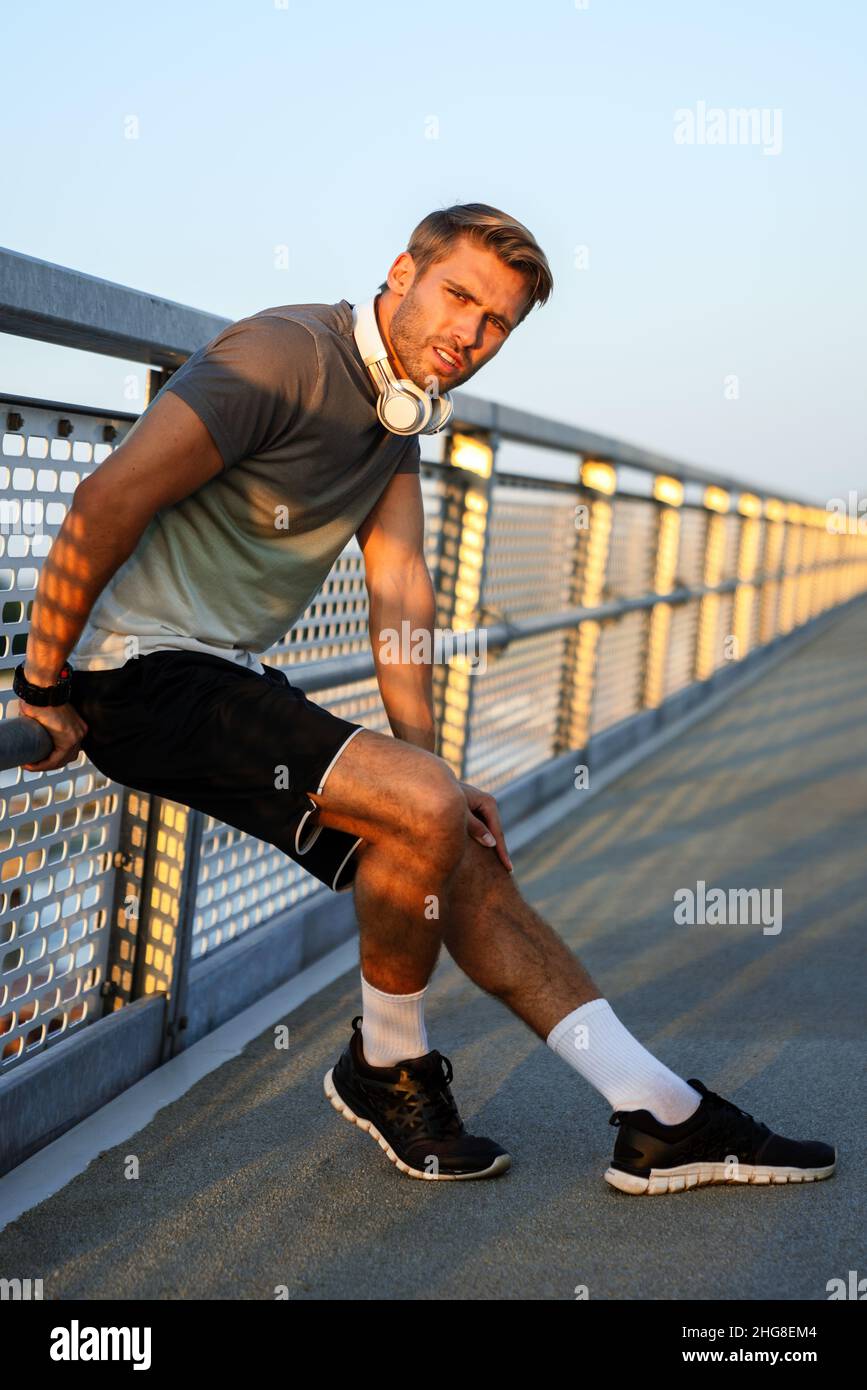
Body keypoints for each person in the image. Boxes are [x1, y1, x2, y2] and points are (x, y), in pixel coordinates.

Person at [15, 203, 835, 1194]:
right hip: (137, 675)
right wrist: (43, 684)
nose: (470, 334)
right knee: (427, 813)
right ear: (401, 271)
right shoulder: (282, 356)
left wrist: (433, 771)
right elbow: (105, 499)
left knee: (453, 847)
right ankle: (389, 1061)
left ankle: (658, 1114)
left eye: (496, 324)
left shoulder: (395, 414)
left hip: (222, 677)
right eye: (458, 296)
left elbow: (402, 589)